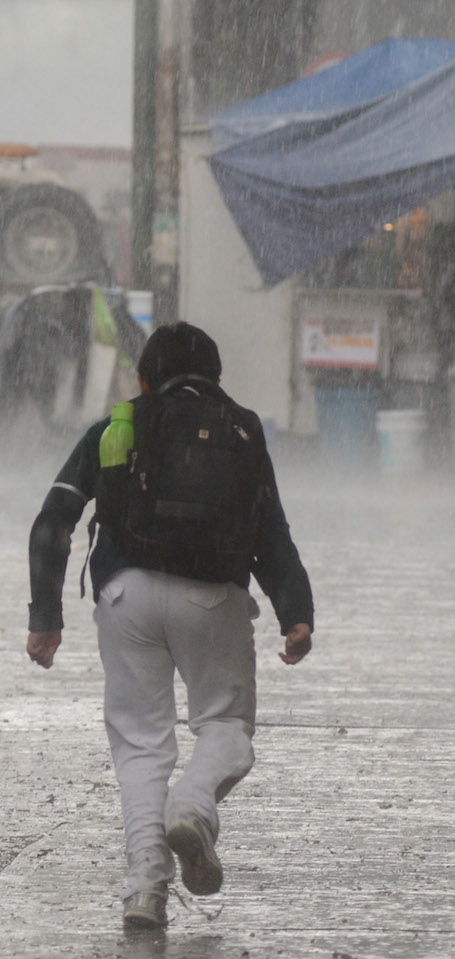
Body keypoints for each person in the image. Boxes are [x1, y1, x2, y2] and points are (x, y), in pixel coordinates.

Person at [26, 322, 314, 929]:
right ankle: (193, 805)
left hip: (127, 595)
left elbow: (54, 519)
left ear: (143, 378)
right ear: (216, 378)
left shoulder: (121, 424)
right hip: (215, 599)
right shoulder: (240, 430)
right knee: (225, 725)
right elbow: (271, 531)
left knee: (140, 746)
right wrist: (296, 611)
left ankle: (144, 890)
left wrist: (46, 616)